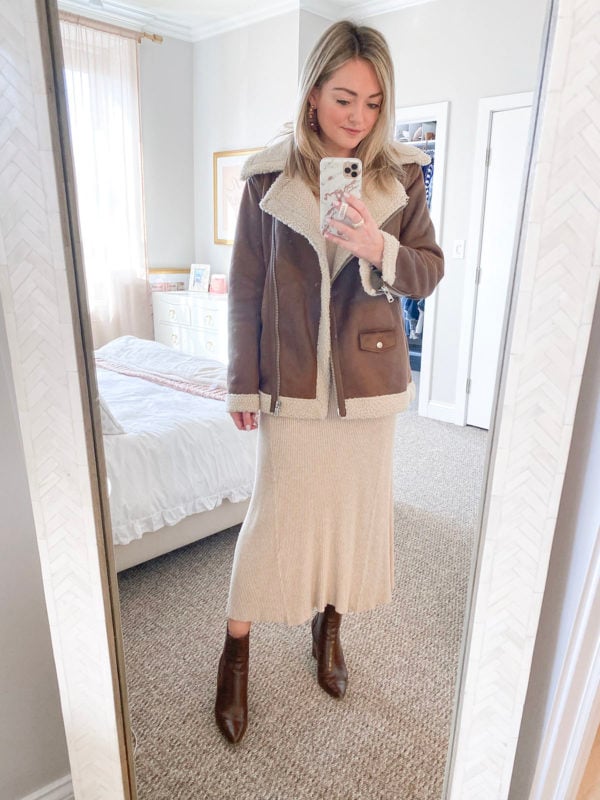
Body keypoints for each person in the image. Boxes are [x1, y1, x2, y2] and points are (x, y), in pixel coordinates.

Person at [215, 20, 444, 744]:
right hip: (291, 379)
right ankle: (237, 648)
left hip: (369, 378)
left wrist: (378, 245)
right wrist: (240, 385)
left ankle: (329, 628)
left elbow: (429, 272)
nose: (358, 117)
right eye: (344, 97)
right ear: (313, 94)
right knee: (274, 520)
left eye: (374, 103)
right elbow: (246, 289)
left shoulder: (401, 175)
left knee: (353, 517)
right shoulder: (265, 179)